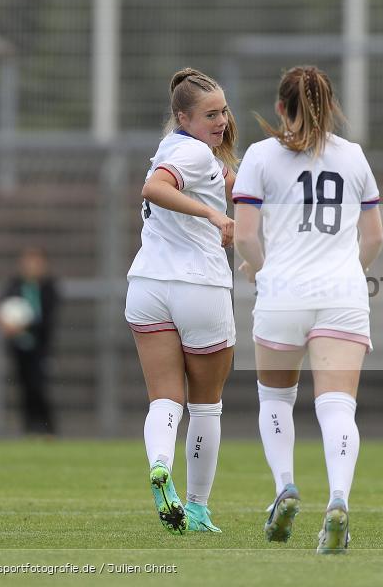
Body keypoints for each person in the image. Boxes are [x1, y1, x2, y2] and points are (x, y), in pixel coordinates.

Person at [233, 66, 383, 554]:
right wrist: (350, 274)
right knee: (337, 407)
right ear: (330, 104)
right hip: (342, 295)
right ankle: (338, 500)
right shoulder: (354, 156)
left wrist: (259, 269)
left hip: (283, 293)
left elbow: (246, 236)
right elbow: (375, 237)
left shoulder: (260, 156)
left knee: (276, 400)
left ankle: (285, 488)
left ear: (281, 107)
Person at [124, 68, 238, 535]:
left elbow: (237, 185)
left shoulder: (177, 149)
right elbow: (155, 188)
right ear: (183, 117)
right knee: (206, 405)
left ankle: (159, 464)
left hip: (147, 287)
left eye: (224, 111)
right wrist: (214, 215)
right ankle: (197, 508)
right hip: (199, 287)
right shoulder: (191, 153)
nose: (222, 121)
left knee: (165, 399)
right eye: (210, 114)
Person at [0, 246, 60, 435]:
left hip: (41, 348)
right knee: (23, 388)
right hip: (18, 347)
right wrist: (3, 322)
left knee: (38, 386)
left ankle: (48, 428)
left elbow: (48, 318)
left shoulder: (49, 287)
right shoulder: (13, 285)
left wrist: (26, 325)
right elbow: (0, 308)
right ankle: (29, 429)